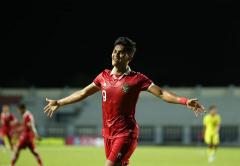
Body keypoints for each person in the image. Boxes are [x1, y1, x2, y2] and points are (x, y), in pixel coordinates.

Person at [44, 37, 205, 166]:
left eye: (121, 53)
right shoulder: (103, 77)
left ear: (129, 56)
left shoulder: (137, 79)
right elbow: (83, 92)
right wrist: (59, 102)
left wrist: (184, 101)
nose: (116, 55)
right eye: (114, 51)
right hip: (108, 134)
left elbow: (161, 93)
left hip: (126, 134)